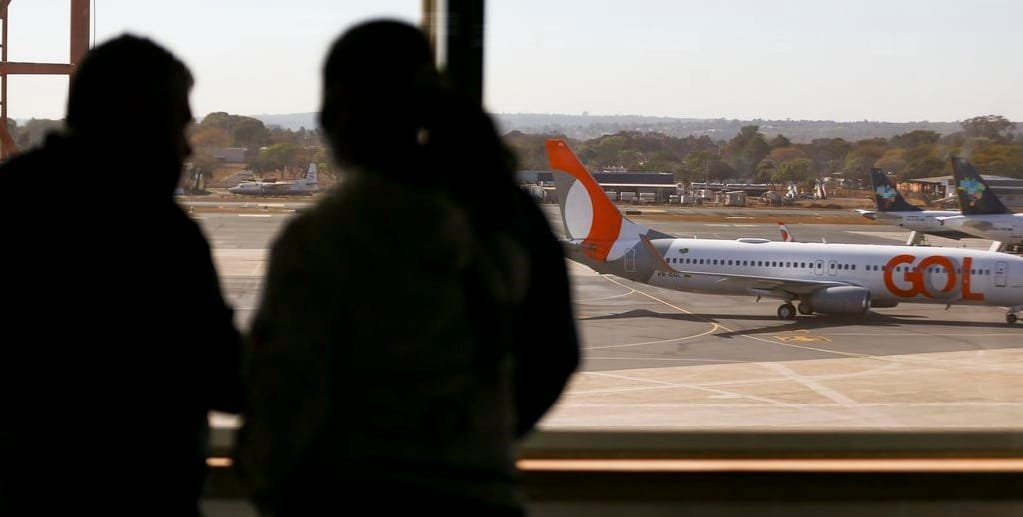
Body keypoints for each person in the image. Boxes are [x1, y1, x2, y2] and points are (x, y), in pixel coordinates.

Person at [235, 19, 580, 516]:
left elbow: (285, 396)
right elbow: (555, 354)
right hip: (480, 494)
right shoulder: (509, 214)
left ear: (337, 116)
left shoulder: (325, 234)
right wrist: (470, 445)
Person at [0, 35, 244, 516]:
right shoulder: (161, 235)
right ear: (140, 125)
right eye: (176, 126)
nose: (185, 151)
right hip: (141, 491)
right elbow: (227, 381)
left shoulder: (9, 203)